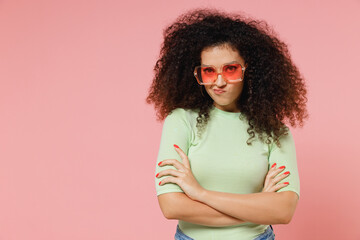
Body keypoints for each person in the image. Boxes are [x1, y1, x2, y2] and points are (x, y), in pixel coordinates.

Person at [146, 8, 308, 240]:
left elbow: (283, 211)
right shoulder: (180, 122)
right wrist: (258, 208)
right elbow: (172, 206)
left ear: (248, 69)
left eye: (230, 69)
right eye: (209, 72)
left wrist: (199, 193)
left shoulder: (274, 131)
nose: (219, 82)